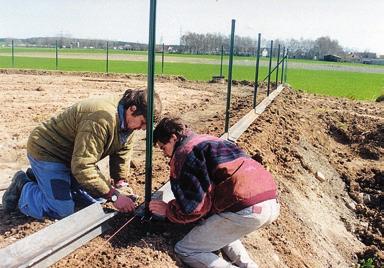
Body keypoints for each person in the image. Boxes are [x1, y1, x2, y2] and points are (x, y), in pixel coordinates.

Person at [2, 89, 162, 220]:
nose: (142, 128)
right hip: (49, 152)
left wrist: (120, 183)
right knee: (62, 211)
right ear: (132, 109)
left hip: (73, 157)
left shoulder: (129, 122)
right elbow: (82, 167)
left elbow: (122, 150)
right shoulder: (101, 119)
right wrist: (114, 196)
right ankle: (23, 186)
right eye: (142, 123)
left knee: (95, 200)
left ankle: (43, 179)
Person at [149, 117, 279, 268]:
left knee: (185, 250)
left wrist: (169, 210)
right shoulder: (206, 139)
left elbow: (194, 208)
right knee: (219, 228)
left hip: (245, 208)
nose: (165, 154)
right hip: (269, 201)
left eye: (163, 147)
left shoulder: (183, 153)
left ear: (173, 138)